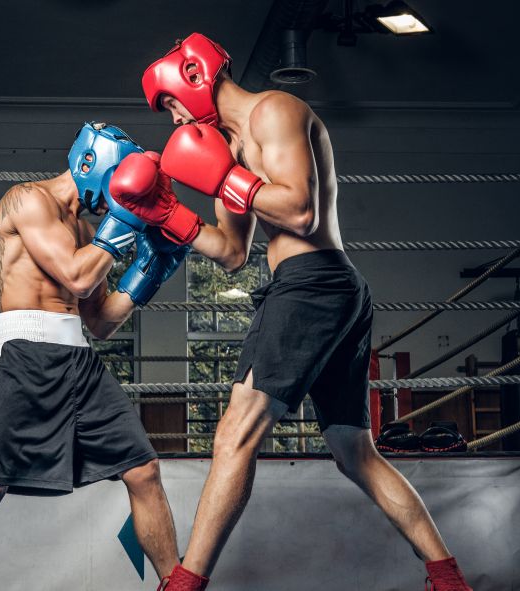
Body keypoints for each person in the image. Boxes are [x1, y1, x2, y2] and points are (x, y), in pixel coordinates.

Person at [111, 33, 473, 591]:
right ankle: (448, 579)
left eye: (172, 103)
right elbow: (232, 253)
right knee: (354, 451)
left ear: (194, 76)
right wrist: (168, 215)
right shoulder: (226, 149)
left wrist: (224, 178)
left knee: (234, 433)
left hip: (312, 283)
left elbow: (301, 212)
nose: (175, 118)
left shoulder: (275, 110)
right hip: (327, 290)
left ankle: (184, 584)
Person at [0, 122, 186, 590]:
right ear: (93, 164)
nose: (122, 200)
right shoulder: (28, 200)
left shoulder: (87, 229)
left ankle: (177, 586)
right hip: (23, 353)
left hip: (79, 359)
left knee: (143, 469)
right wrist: (124, 227)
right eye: (122, 188)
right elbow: (77, 277)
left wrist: (147, 274)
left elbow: (101, 322)